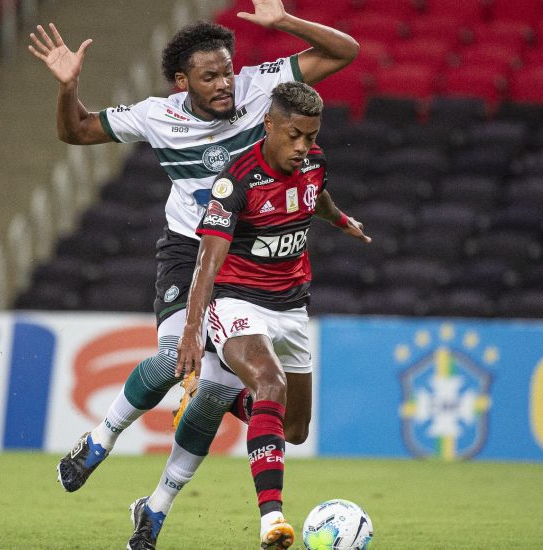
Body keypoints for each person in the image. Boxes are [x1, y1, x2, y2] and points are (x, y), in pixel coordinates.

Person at [26, 0, 359, 500]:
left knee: (216, 393)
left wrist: (285, 22)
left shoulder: (260, 88)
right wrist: (68, 86)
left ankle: (156, 506)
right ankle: (100, 439)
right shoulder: (156, 116)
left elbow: (345, 52)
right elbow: (75, 131)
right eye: (210, 77)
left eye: (227, 71)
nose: (225, 84)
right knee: (173, 360)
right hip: (189, 249)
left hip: (244, 259)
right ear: (182, 82)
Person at [129, 81, 368, 550]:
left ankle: (225, 399)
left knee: (294, 429)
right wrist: (192, 330)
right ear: (269, 125)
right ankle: (272, 521)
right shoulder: (236, 180)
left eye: (311, 137)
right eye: (294, 135)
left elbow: (316, 196)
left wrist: (341, 221)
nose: (303, 147)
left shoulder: (315, 163)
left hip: (291, 306)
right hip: (237, 300)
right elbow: (206, 262)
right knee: (271, 384)